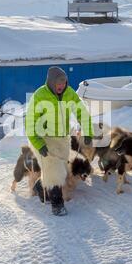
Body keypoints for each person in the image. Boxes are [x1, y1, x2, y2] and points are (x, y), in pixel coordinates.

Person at [26, 66, 93, 216]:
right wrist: (38, 143)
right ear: (50, 82)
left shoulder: (69, 94)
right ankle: (57, 205)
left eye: (63, 83)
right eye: (58, 83)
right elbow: (30, 122)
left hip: (62, 139)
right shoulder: (40, 95)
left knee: (60, 170)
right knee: (54, 171)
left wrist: (88, 130)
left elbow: (82, 111)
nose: (61, 86)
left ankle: (39, 187)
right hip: (44, 139)